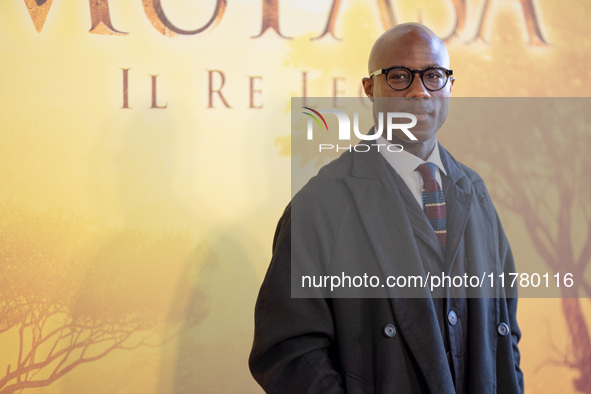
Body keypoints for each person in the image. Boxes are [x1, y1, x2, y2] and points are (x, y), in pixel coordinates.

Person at [249, 23, 523, 394]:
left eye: (433, 76)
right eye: (398, 77)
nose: (418, 91)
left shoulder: (474, 192)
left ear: (450, 87)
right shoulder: (323, 203)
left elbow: (505, 328)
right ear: (369, 89)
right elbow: (287, 353)